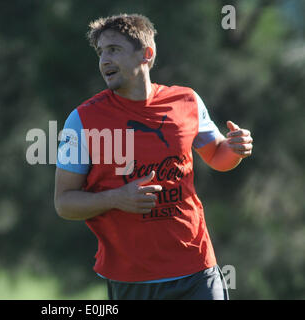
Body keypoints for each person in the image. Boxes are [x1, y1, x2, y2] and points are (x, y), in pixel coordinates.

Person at [54, 13, 253, 300]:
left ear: (146, 54)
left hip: (197, 268)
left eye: (114, 50)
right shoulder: (83, 120)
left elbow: (218, 156)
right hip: (132, 280)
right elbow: (64, 203)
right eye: (101, 52)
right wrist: (116, 198)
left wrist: (235, 149)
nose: (104, 60)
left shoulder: (187, 101)